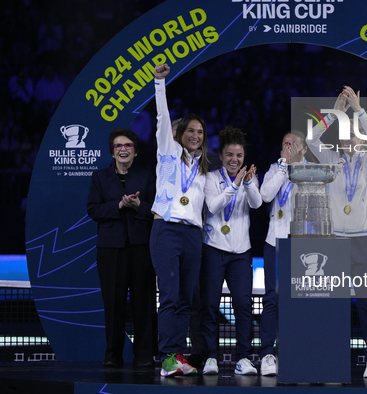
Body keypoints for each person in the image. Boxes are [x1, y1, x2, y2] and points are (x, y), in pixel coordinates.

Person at [307, 86, 367, 378]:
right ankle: (331, 352)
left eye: (355, 134)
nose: (350, 138)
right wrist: (335, 110)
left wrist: (359, 110)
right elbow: (312, 138)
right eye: (346, 133)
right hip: (335, 240)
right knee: (333, 301)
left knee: (366, 300)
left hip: (363, 240)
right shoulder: (331, 160)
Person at [151, 63, 210, 377]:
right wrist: (160, 83)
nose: (196, 136)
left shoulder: (202, 169)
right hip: (167, 230)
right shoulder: (168, 151)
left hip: (192, 236)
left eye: (200, 133)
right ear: (180, 133)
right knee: (171, 295)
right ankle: (166, 358)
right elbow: (162, 118)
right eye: (191, 131)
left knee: (186, 299)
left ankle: (178, 354)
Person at [87, 128, 157, 368]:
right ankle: (112, 355)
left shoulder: (147, 177)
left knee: (144, 303)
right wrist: (118, 205)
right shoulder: (99, 177)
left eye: (128, 145)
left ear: (135, 152)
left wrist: (139, 206)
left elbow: (156, 211)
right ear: (112, 151)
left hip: (141, 247)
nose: (124, 149)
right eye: (119, 146)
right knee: (113, 303)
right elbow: (93, 210)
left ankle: (145, 356)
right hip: (110, 249)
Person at [200, 126, 262, 376]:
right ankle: (210, 357)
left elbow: (257, 204)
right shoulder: (211, 178)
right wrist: (235, 185)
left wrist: (247, 185)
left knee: (243, 306)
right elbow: (214, 207)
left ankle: (244, 358)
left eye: (239, 155)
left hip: (240, 252)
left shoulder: (250, 178)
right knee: (209, 305)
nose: (234, 160)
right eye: (229, 155)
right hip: (213, 249)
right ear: (222, 155)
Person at [258, 131, 309, 376]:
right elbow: (265, 195)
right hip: (275, 241)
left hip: (302, 245)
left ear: (304, 149)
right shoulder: (274, 169)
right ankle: (268, 354)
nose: (288, 148)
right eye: (284, 144)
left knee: (301, 301)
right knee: (271, 299)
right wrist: (282, 167)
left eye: (293, 144)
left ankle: (296, 350)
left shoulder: (315, 172)